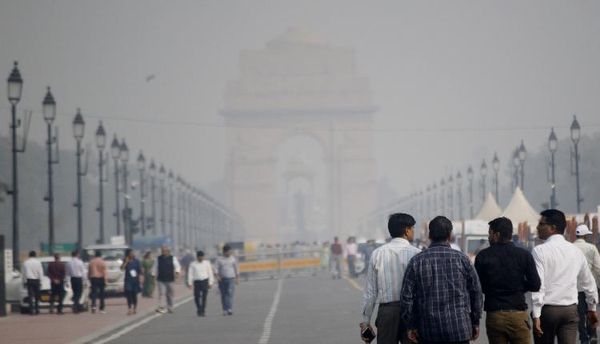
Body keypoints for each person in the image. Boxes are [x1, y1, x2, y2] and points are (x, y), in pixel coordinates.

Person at [400, 216, 483, 344]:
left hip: (428, 331)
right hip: (459, 330)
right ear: (450, 235)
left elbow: (406, 297)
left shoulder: (417, 261)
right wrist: (475, 322)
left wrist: (411, 325)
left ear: (429, 235)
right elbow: (476, 292)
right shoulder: (463, 259)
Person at [532, 209, 599, 344]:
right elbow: (589, 283)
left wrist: (536, 314)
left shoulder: (539, 251)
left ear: (552, 228)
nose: (537, 227)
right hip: (569, 311)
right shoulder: (575, 251)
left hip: (548, 311)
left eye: (541, 224)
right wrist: (592, 308)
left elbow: (539, 285)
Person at [474, 217, 541, 344]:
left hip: (495, 316)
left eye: (490, 233)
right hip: (518, 315)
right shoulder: (524, 255)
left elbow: (478, 287)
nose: (489, 237)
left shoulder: (483, 256)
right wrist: (520, 286)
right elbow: (535, 285)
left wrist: (492, 288)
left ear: (497, 234)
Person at [360, 213, 421, 344]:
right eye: (413, 228)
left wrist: (366, 321)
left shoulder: (377, 254)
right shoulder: (417, 254)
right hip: (411, 313)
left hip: (386, 313)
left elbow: (370, 292)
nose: (413, 231)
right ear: (406, 230)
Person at [572, 224, 600, 344]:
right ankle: (592, 334)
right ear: (585, 235)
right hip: (590, 286)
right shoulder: (592, 248)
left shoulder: (570, 247)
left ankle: (583, 337)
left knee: (579, 314)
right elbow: (598, 268)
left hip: (575, 287)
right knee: (591, 311)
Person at [154, 245, 181, 314]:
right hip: (161, 278)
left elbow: (177, 266)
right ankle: (161, 307)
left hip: (170, 279)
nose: (163, 252)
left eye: (165, 251)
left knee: (169, 294)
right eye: (162, 251)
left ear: (168, 251)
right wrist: (153, 274)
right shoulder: (158, 258)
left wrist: (177, 273)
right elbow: (155, 267)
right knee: (161, 293)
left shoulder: (173, 258)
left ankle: (170, 306)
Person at [187, 250, 214, 317]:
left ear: (203, 257)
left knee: (204, 297)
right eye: (199, 257)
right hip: (197, 282)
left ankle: (203, 310)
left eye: (202, 257)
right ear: (197, 257)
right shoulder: (193, 264)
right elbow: (190, 274)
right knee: (197, 296)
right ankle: (199, 308)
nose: (201, 258)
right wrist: (189, 283)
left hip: (205, 281)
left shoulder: (207, 263)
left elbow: (210, 273)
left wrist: (211, 282)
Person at [216, 245, 239, 316]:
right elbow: (215, 269)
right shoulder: (219, 259)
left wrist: (237, 278)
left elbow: (236, 269)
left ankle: (229, 309)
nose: (229, 253)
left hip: (231, 278)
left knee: (230, 293)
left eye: (230, 252)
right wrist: (217, 276)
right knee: (223, 295)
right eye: (228, 252)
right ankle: (224, 309)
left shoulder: (233, 259)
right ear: (224, 252)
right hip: (222, 279)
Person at [121, 249, 142, 315]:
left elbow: (140, 271)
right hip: (128, 280)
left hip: (135, 280)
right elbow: (122, 269)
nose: (132, 254)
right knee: (128, 294)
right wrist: (126, 262)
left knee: (134, 295)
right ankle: (129, 308)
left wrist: (141, 278)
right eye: (131, 253)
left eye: (133, 253)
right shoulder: (125, 261)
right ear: (128, 254)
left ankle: (134, 308)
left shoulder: (136, 261)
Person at [22, 250, 43, 315]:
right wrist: (41, 281)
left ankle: (31, 310)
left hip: (29, 280)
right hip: (36, 280)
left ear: (29, 255)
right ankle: (37, 309)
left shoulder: (25, 262)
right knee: (37, 296)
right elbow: (40, 272)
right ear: (35, 255)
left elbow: (24, 273)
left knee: (30, 296)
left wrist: (24, 281)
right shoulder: (38, 262)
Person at [88, 250, 107, 314]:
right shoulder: (102, 262)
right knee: (102, 294)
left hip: (93, 278)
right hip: (101, 278)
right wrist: (105, 280)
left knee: (94, 293)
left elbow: (89, 270)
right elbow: (104, 272)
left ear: (95, 255)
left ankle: (93, 306)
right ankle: (101, 308)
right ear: (100, 255)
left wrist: (88, 277)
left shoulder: (91, 262)